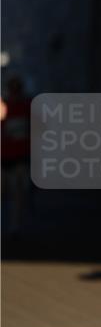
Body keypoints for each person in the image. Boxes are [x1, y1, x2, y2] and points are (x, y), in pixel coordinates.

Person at [1, 75, 31, 237]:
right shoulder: (4, 106)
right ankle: (13, 225)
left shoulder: (27, 107)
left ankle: (15, 226)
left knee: (17, 194)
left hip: (20, 158)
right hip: (5, 158)